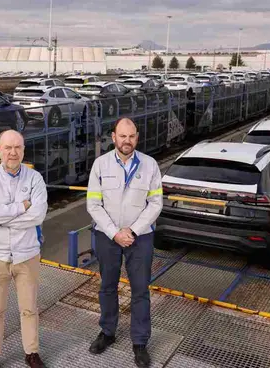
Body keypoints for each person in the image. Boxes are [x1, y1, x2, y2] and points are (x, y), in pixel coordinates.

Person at [86, 118, 163, 368]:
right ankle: (107, 332)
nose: (126, 141)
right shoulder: (100, 165)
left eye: (131, 136)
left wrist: (132, 230)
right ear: (113, 137)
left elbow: (155, 204)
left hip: (140, 238)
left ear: (137, 138)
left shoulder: (150, 165)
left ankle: (140, 343)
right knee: (107, 286)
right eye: (122, 136)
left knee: (140, 290)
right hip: (107, 237)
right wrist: (114, 232)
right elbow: (93, 205)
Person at [0, 129, 48, 368]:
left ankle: (32, 352)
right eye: (7, 148)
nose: (12, 152)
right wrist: (22, 206)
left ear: (23, 150)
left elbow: (38, 216)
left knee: (29, 308)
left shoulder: (35, 179)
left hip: (27, 254)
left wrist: (2, 215)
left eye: (17, 147)